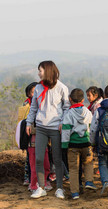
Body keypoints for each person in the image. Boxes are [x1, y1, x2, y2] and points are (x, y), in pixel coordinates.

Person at [26, 60, 70, 199]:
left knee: (57, 159)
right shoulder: (38, 88)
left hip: (56, 128)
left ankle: (60, 189)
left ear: (48, 71)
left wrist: (63, 122)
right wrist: (28, 123)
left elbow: (66, 108)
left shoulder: (62, 88)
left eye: (40, 70)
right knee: (38, 158)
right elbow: (33, 107)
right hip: (41, 127)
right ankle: (41, 187)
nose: (38, 73)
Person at [61, 88, 94, 199]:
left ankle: (75, 193)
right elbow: (92, 128)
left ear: (70, 99)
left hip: (73, 145)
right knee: (88, 163)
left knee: (74, 169)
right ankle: (89, 181)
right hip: (86, 143)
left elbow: (65, 131)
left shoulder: (68, 114)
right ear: (83, 99)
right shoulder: (88, 112)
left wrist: (64, 145)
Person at [24, 82, 52, 192]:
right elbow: (29, 128)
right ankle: (34, 184)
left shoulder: (45, 108)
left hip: (44, 142)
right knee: (34, 165)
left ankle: (44, 182)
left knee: (45, 164)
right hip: (33, 143)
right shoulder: (29, 109)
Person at [18, 82, 38, 186]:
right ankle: (28, 178)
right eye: (33, 92)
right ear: (29, 94)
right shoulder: (25, 106)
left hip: (40, 133)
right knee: (29, 157)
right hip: (29, 135)